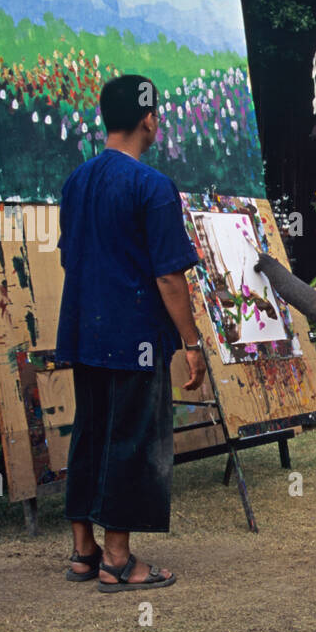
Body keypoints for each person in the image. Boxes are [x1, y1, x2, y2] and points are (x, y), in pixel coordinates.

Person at [59, 73, 225, 590]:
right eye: (157, 115)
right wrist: (192, 344)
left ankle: (84, 552)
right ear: (148, 119)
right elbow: (169, 276)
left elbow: (70, 257)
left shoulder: (75, 181)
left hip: (86, 333)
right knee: (131, 439)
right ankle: (118, 561)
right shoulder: (152, 186)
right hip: (136, 339)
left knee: (90, 434)